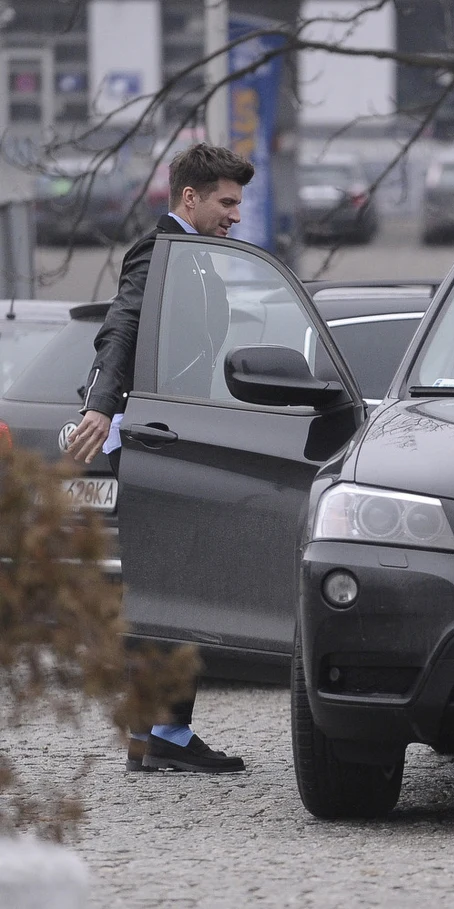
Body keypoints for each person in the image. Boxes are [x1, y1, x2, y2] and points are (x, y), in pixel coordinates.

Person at [66, 143, 255, 774]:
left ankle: (157, 735)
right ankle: (159, 736)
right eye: (226, 202)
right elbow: (121, 326)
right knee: (171, 592)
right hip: (152, 443)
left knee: (176, 590)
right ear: (189, 198)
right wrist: (100, 404)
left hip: (176, 439)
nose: (235, 215)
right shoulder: (158, 252)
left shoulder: (195, 259)